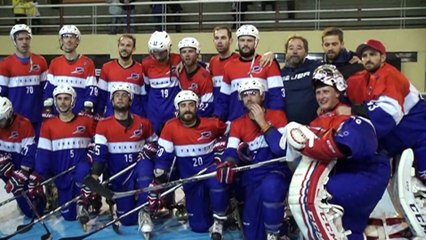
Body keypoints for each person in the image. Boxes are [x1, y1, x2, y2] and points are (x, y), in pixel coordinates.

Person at [285, 64, 390, 240]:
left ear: (338, 91)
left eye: (325, 91)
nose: (321, 97)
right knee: (346, 228)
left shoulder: (351, 114)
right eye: (318, 93)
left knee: (322, 198)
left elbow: (350, 145)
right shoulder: (318, 119)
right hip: (349, 171)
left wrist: (307, 147)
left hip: (368, 171)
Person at [217, 78, 291, 240]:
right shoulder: (238, 124)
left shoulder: (278, 115)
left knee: (271, 188)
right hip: (252, 176)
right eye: (245, 95)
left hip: (276, 171)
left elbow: (280, 149)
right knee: (252, 234)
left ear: (262, 96)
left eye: (253, 93)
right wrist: (228, 162)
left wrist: (262, 122)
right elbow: (231, 150)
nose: (249, 98)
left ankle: (276, 233)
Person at [348, 40, 426, 185]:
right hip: (402, 128)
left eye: (372, 54)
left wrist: (353, 113)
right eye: (364, 56)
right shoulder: (364, 77)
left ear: (383, 57)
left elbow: (389, 112)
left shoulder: (389, 75)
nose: (368, 59)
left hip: (415, 127)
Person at [153, 90, 228, 239]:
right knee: (199, 227)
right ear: (177, 109)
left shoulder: (212, 124)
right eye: (183, 105)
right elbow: (163, 157)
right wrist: (158, 179)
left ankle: (219, 219)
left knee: (218, 178)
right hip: (190, 179)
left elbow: (232, 133)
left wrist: (223, 146)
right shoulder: (170, 127)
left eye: (191, 105)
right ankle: (208, 211)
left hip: (210, 171)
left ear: (197, 107)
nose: (187, 109)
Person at [89, 83, 158, 229]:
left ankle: (144, 211)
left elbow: (156, 145)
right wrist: (94, 177)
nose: (120, 98)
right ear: (112, 101)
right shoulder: (103, 125)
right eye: (117, 96)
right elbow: (100, 155)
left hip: (139, 170)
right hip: (119, 177)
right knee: (127, 221)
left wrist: (149, 149)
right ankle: (130, 209)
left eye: (124, 95)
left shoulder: (144, 123)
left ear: (130, 101)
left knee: (145, 164)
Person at [31, 84, 99, 223]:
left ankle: (88, 199)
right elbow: (43, 154)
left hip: (82, 173)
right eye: (59, 98)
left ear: (73, 100)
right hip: (62, 176)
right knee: (68, 217)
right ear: (55, 101)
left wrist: (91, 157)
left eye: (66, 98)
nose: (63, 102)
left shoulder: (86, 121)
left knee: (83, 170)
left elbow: (98, 143)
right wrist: (38, 176)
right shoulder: (48, 125)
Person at [214, 24, 285, 123]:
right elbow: (223, 100)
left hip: (262, 123)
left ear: (256, 42)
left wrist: (274, 120)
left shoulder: (268, 63)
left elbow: (277, 96)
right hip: (236, 123)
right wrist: (218, 121)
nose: (245, 44)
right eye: (242, 40)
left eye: (249, 40)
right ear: (237, 43)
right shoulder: (229, 66)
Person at [209, 26, 275, 110]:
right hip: (223, 109)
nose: (219, 41)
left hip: (244, 110)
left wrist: (271, 55)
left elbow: (252, 58)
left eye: (223, 38)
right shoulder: (213, 62)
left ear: (231, 41)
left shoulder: (239, 59)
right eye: (217, 38)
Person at [0, 24, 47, 139]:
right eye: (20, 39)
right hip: (14, 120)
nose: (24, 42)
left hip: (37, 118)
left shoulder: (40, 61)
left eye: (27, 38)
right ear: (14, 41)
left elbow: (46, 90)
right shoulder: (5, 64)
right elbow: (2, 95)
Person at [43, 25, 98, 116]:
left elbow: (92, 89)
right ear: (61, 40)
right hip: (58, 115)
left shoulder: (88, 63)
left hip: (79, 115)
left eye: (72, 37)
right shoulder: (55, 63)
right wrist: (48, 106)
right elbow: (49, 88)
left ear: (77, 40)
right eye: (66, 37)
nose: (69, 40)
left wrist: (88, 107)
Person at [0, 96, 41, 218]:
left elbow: (30, 152)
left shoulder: (23, 124)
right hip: (4, 164)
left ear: (10, 114)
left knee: (32, 212)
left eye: (2, 120)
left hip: (20, 166)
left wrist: (22, 173)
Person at [142, 31, 182, 134]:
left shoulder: (178, 59)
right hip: (154, 113)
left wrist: (184, 63)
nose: (157, 55)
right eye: (154, 51)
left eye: (161, 51)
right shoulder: (146, 63)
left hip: (174, 112)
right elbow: (147, 88)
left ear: (168, 49)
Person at [97, 34, 146, 117]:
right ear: (118, 47)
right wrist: (99, 115)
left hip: (135, 119)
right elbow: (101, 96)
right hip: (111, 118)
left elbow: (144, 99)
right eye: (122, 45)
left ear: (133, 49)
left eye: (128, 45)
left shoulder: (141, 69)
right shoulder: (107, 67)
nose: (124, 48)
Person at [281, 35, 322, 125]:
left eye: (299, 48)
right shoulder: (280, 74)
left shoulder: (316, 67)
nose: (295, 52)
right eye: (291, 48)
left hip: (313, 126)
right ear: (286, 52)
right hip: (286, 127)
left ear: (306, 52)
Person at [177, 37, 214, 117]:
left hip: (199, 118)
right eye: (184, 52)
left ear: (197, 53)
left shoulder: (204, 76)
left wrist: (191, 118)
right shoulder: (179, 72)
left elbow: (207, 104)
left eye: (190, 51)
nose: (187, 55)